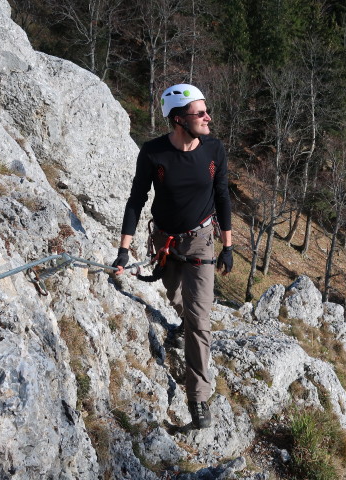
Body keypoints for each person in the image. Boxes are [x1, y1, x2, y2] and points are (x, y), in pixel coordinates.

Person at [112, 83, 233, 429]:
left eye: (206, 111)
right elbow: (136, 200)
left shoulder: (213, 150)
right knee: (175, 294)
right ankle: (184, 320)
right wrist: (123, 249)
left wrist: (228, 245)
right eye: (200, 113)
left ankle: (198, 397)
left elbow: (223, 196)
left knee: (200, 320)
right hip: (165, 241)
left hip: (200, 241)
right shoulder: (153, 154)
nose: (208, 117)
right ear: (179, 119)